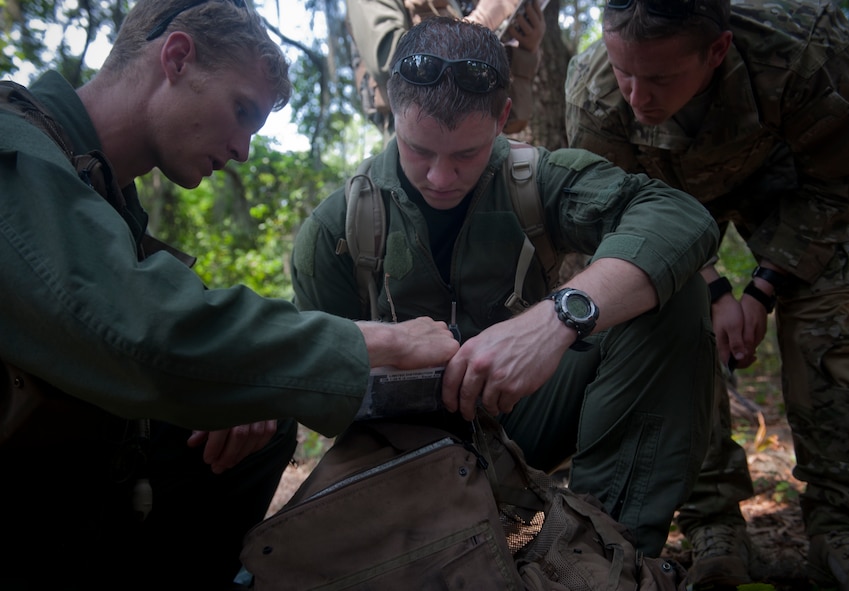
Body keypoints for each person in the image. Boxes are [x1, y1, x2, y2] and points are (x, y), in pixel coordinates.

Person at [0, 0, 459, 588]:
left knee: (256, 419)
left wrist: (237, 393)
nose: (243, 148)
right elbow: (144, 331)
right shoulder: (15, 151)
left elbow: (183, 334)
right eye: (240, 111)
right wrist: (377, 341)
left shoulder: (101, 191)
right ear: (177, 56)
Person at [291, 15, 722, 557]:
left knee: (673, 291)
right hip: (398, 459)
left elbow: (677, 216)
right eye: (419, 151)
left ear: (501, 118)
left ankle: (607, 554)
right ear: (393, 115)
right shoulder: (338, 227)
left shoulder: (536, 180)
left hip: (521, 425)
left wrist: (556, 319)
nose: (440, 178)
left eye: (465, 155)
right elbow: (309, 381)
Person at [564, 0, 849, 587]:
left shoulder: (802, 52)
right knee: (675, 328)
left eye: (660, 77)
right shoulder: (595, 95)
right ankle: (711, 521)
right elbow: (614, 217)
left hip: (791, 186)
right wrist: (712, 290)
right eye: (624, 71)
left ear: (717, 51)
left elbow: (842, 179)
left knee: (824, 337)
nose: (637, 95)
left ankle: (846, 528)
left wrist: (761, 291)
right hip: (665, 204)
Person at [345, 0, 545, 140]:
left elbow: (507, 115)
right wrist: (481, 22)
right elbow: (390, 60)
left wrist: (526, 49)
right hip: (419, 152)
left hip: (482, 151)